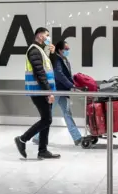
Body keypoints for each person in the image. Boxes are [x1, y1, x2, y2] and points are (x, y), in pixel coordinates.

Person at [14, 27, 61, 159]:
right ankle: (22, 139)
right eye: (46, 35)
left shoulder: (41, 50)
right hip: (39, 91)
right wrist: (48, 92)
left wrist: (52, 53)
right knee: (47, 119)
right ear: (40, 35)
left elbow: (50, 67)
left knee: (47, 120)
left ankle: (42, 150)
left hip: (43, 90)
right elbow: (40, 73)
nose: (48, 37)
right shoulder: (34, 50)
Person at [31, 40, 83, 146]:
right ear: (60, 50)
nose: (68, 51)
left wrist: (72, 84)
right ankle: (37, 136)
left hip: (62, 91)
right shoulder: (57, 60)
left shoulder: (63, 59)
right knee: (49, 115)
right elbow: (59, 74)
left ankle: (77, 137)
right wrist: (71, 85)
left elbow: (65, 74)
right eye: (66, 49)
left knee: (66, 113)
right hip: (58, 90)